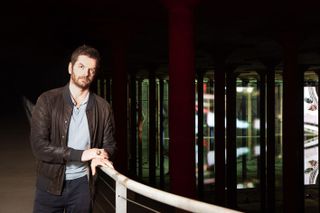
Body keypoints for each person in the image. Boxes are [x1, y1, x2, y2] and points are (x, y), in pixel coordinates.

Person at [30, 44, 116, 213]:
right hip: (49, 183)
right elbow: (39, 147)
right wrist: (83, 154)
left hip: (83, 186)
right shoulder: (47, 100)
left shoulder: (103, 107)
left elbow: (110, 144)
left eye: (91, 69)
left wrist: (101, 155)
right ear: (70, 68)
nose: (86, 73)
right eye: (81, 66)